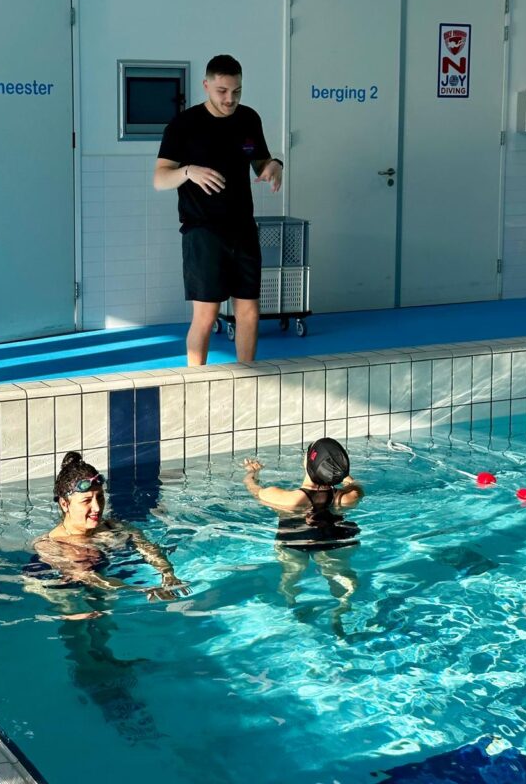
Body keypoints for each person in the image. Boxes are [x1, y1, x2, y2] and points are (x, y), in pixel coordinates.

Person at [153, 54, 283, 365]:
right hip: (203, 230)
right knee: (206, 314)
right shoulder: (183, 125)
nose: (230, 99)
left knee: (249, 311)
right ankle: (197, 381)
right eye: (222, 91)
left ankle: (247, 375)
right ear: (206, 85)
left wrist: (275, 165)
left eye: (236, 91)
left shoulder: (248, 119)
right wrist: (188, 171)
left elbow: (259, 160)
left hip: (242, 227)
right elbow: (159, 178)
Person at [29, 451, 189, 602]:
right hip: (64, 590)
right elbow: (90, 578)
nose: (97, 507)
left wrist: (168, 574)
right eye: (86, 501)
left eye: (99, 497)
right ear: (65, 504)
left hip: (107, 577)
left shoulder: (113, 525)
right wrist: (141, 590)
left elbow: (148, 548)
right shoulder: (51, 545)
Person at [243, 438, 364, 635]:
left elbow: (254, 490)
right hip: (333, 542)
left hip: (294, 542)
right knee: (342, 575)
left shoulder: (289, 499)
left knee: (290, 576)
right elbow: (358, 488)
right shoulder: (347, 498)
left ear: (307, 463)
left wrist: (252, 474)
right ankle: (341, 608)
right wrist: (349, 480)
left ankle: (293, 604)